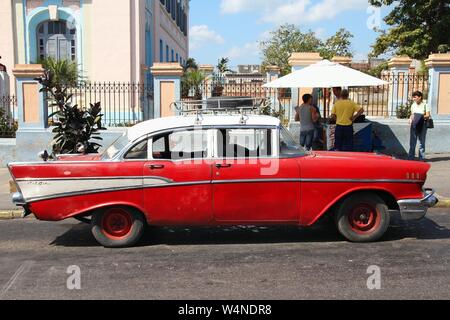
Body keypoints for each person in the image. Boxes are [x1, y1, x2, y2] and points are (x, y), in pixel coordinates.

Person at [408, 91, 431, 161]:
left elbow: (428, 115)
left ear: (420, 97)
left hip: (422, 124)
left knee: (422, 142)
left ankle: (421, 158)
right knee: (412, 142)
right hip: (414, 124)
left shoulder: (425, 105)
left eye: (415, 97)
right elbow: (412, 114)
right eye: (413, 97)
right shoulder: (413, 105)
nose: (414, 99)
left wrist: (420, 116)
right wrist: (410, 119)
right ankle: (411, 157)